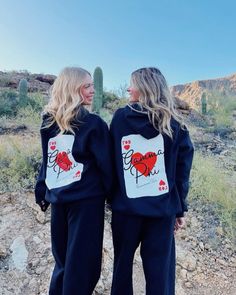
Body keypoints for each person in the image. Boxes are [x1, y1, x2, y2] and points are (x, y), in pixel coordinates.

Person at [110, 67, 194, 295]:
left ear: (144, 87)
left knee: (122, 269)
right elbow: (182, 172)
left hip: (125, 211)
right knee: (160, 275)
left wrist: (112, 197)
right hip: (161, 212)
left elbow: (110, 162)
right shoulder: (175, 125)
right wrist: (179, 209)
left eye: (132, 84)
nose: (128, 88)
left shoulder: (119, 118)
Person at [35, 67, 112, 295]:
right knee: (83, 266)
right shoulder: (94, 124)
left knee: (62, 263)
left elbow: (47, 162)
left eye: (92, 85)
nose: (93, 91)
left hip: (58, 200)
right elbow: (106, 166)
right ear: (72, 88)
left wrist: (42, 191)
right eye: (87, 86)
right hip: (86, 204)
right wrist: (113, 195)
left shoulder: (49, 121)